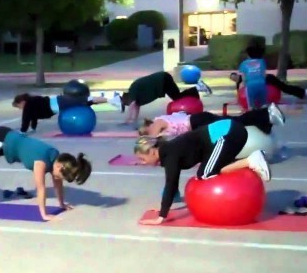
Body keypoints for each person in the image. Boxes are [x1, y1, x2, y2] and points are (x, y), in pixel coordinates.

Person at [133, 119, 271, 226]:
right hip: (229, 131)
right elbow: (172, 182)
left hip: (227, 133)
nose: (142, 163)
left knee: (205, 173)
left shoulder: (170, 155)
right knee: (210, 169)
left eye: (142, 159)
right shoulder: (167, 152)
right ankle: (252, 160)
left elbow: (171, 183)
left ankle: (252, 160)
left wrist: (161, 217)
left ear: (152, 151)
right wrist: (166, 206)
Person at [138, 103, 286, 137]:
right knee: (235, 121)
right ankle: (266, 122)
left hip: (197, 121)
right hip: (198, 121)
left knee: (236, 122)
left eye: (144, 132)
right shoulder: (160, 121)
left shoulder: (157, 123)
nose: (147, 134)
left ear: (148, 126)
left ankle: (266, 113)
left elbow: (153, 138)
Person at [120, 71, 212, 124]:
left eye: (125, 104)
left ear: (125, 98)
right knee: (178, 96)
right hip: (163, 78)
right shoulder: (135, 95)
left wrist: (128, 119)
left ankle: (199, 87)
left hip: (163, 80)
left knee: (177, 98)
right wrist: (134, 119)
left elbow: (132, 105)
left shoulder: (132, 91)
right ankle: (198, 88)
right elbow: (136, 106)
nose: (127, 105)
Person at [12, 92, 122, 133]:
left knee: (86, 100)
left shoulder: (29, 105)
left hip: (60, 102)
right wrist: (33, 128)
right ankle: (112, 101)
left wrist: (22, 131)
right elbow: (32, 118)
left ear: (22, 102)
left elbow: (26, 118)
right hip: (60, 102)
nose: (20, 109)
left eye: (18, 106)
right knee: (86, 102)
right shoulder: (32, 104)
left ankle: (112, 100)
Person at [229, 72, 307, 101]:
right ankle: (302, 93)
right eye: (232, 79)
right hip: (266, 81)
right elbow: (239, 93)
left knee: (285, 88)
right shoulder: (239, 82)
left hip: (268, 79)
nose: (234, 79)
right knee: (285, 88)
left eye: (234, 77)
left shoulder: (243, 76)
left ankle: (303, 92)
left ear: (236, 74)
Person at [237, 42, 268, 109]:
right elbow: (264, 75)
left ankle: (253, 116)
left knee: (251, 106)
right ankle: (264, 116)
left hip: (250, 86)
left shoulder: (244, 63)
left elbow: (244, 78)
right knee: (264, 105)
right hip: (261, 84)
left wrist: (243, 87)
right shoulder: (261, 61)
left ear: (248, 54)